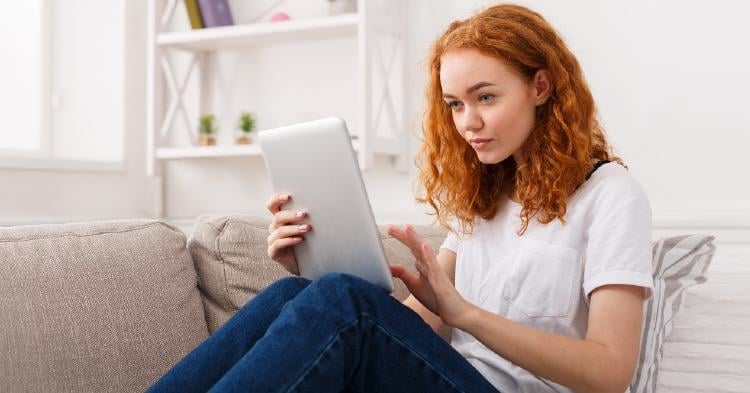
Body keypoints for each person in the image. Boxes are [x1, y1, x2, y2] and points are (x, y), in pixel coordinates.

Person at [148, 4, 653, 393]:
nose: (468, 123)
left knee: (341, 300)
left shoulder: (610, 195)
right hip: (448, 377)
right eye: (455, 104)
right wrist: (310, 269)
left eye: (486, 97)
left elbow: (610, 372)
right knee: (294, 295)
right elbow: (412, 326)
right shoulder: (485, 198)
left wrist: (468, 316)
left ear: (540, 87)